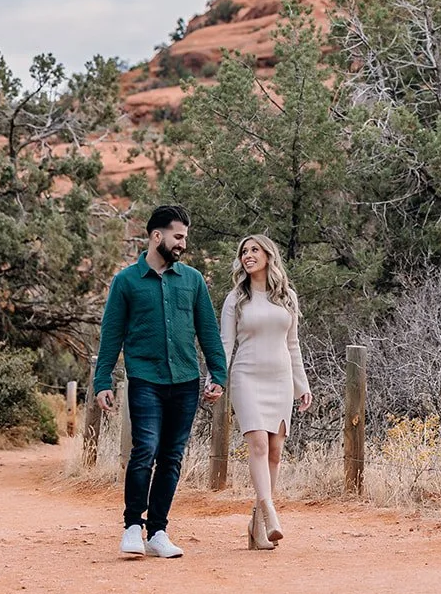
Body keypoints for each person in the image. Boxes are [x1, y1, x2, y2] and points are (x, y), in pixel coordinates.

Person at [94, 204, 227, 559]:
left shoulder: (193, 280)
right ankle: (132, 527)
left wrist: (219, 374)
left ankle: (158, 531)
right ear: (157, 236)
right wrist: (102, 379)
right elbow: (112, 333)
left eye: (185, 237)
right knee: (145, 451)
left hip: (185, 381)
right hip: (145, 379)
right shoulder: (125, 281)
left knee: (171, 458)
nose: (183, 243)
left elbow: (208, 331)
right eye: (178, 236)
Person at [220, 233, 312, 551]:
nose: (247, 255)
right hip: (246, 376)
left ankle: (256, 524)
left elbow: (293, 344)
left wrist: (302, 385)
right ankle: (269, 510)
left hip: (280, 379)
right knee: (258, 443)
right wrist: (216, 378)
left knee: (274, 452)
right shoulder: (236, 299)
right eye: (244, 251)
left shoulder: (287, 297)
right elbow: (225, 344)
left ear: (268, 256)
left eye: (254, 250)